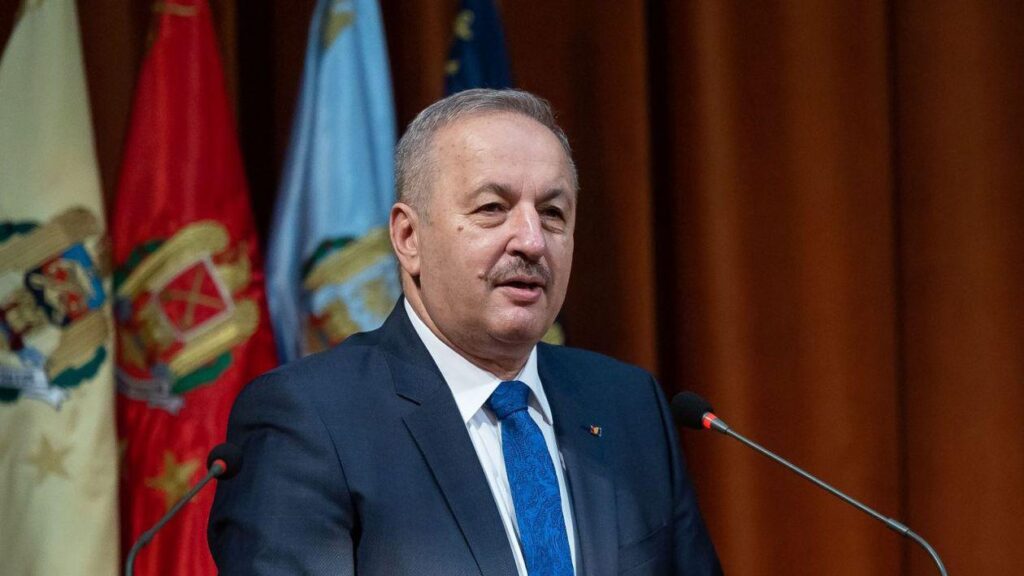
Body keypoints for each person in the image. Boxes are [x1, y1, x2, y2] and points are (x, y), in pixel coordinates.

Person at [208, 88, 722, 575]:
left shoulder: (629, 406)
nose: (532, 241)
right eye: (492, 209)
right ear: (409, 237)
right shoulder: (310, 419)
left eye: (552, 213)